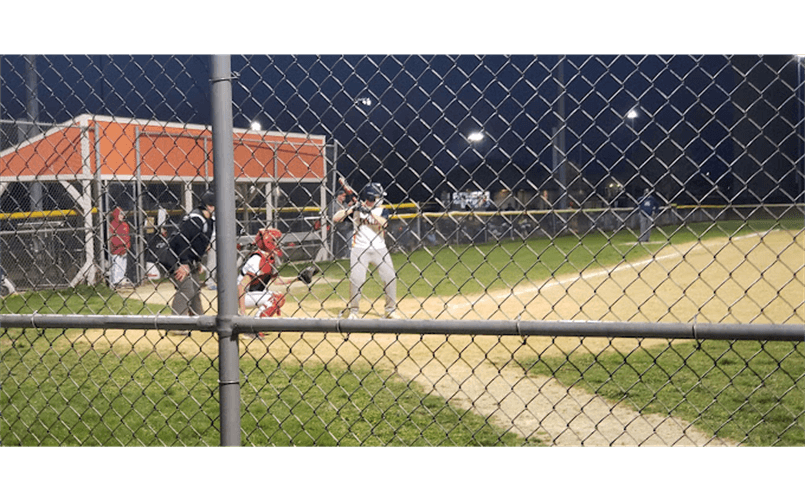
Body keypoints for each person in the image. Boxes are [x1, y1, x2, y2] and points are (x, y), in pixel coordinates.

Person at [333, 182, 400, 319]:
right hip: (359, 249)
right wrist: (352, 209)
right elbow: (336, 218)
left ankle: (390, 309)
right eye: (377, 196)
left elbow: (384, 223)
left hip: (379, 249)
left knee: (390, 277)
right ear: (370, 198)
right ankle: (354, 311)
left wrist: (369, 212)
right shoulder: (357, 208)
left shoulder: (382, 210)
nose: (380, 199)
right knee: (356, 279)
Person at [168, 191, 216, 336]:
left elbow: (198, 244)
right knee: (187, 289)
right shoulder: (195, 219)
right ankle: (176, 324)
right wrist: (184, 263)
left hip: (190, 259)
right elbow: (182, 241)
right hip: (177, 258)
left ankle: (198, 320)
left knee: (195, 288)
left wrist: (197, 262)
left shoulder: (207, 220)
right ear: (209, 206)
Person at [237, 227, 299, 338]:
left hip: (248, 294)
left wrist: (298, 278)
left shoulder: (269, 258)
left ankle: (255, 326)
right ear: (267, 240)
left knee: (278, 297)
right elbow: (241, 286)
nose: (277, 243)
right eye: (274, 240)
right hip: (239, 295)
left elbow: (277, 281)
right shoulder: (257, 259)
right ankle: (252, 329)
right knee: (276, 297)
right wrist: (242, 314)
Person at [328, 188, 355, 260]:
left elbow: (347, 212)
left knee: (350, 234)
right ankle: (337, 256)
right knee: (338, 244)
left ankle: (348, 255)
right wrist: (340, 212)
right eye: (343, 196)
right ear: (339, 196)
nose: (344, 197)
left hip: (345, 225)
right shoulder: (333, 204)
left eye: (345, 196)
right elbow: (331, 216)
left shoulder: (344, 204)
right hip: (337, 226)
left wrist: (349, 206)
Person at [108, 207, 132, 289]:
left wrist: (127, 246)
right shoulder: (113, 224)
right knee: (116, 265)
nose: (122, 216)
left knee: (123, 265)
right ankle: (115, 282)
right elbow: (113, 239)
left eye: (122, 214)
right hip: (116, 249)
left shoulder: (125, 225)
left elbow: (128, 237)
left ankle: (122, 280)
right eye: (120, 214)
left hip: (124, 249)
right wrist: (121, 245)